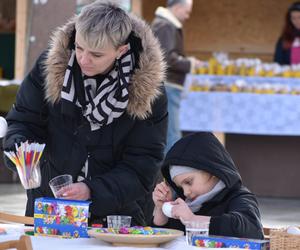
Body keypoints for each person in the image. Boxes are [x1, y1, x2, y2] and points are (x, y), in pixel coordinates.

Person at [3, 0, 168, 226]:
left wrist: (92, 190)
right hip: (51, 208)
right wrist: (20, 152)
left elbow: (143, 165)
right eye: (79, 48)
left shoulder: (149, 92)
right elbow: (23, 121)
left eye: (97, 55)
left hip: (118, 216)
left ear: (121, 50)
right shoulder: (49, 68)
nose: (83, 60)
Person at [152, 132, 264, 239]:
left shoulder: (239, 197)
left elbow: (250, 229)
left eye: (189, 182)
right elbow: (160, 240)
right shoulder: (186, 204)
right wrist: (161, 209)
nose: (186, 192)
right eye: (180, 187)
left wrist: (193, 220)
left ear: (211, 172)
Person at [151, 0, 202, 153]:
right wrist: (189, 64)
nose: (188, 16)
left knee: (168, 133)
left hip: (167, 85)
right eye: (187, 12)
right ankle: (174, 175)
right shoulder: (166, 25)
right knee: (172, 135)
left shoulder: (163, 24)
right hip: (169, 85)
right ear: (178, 7)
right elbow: (167, 58)